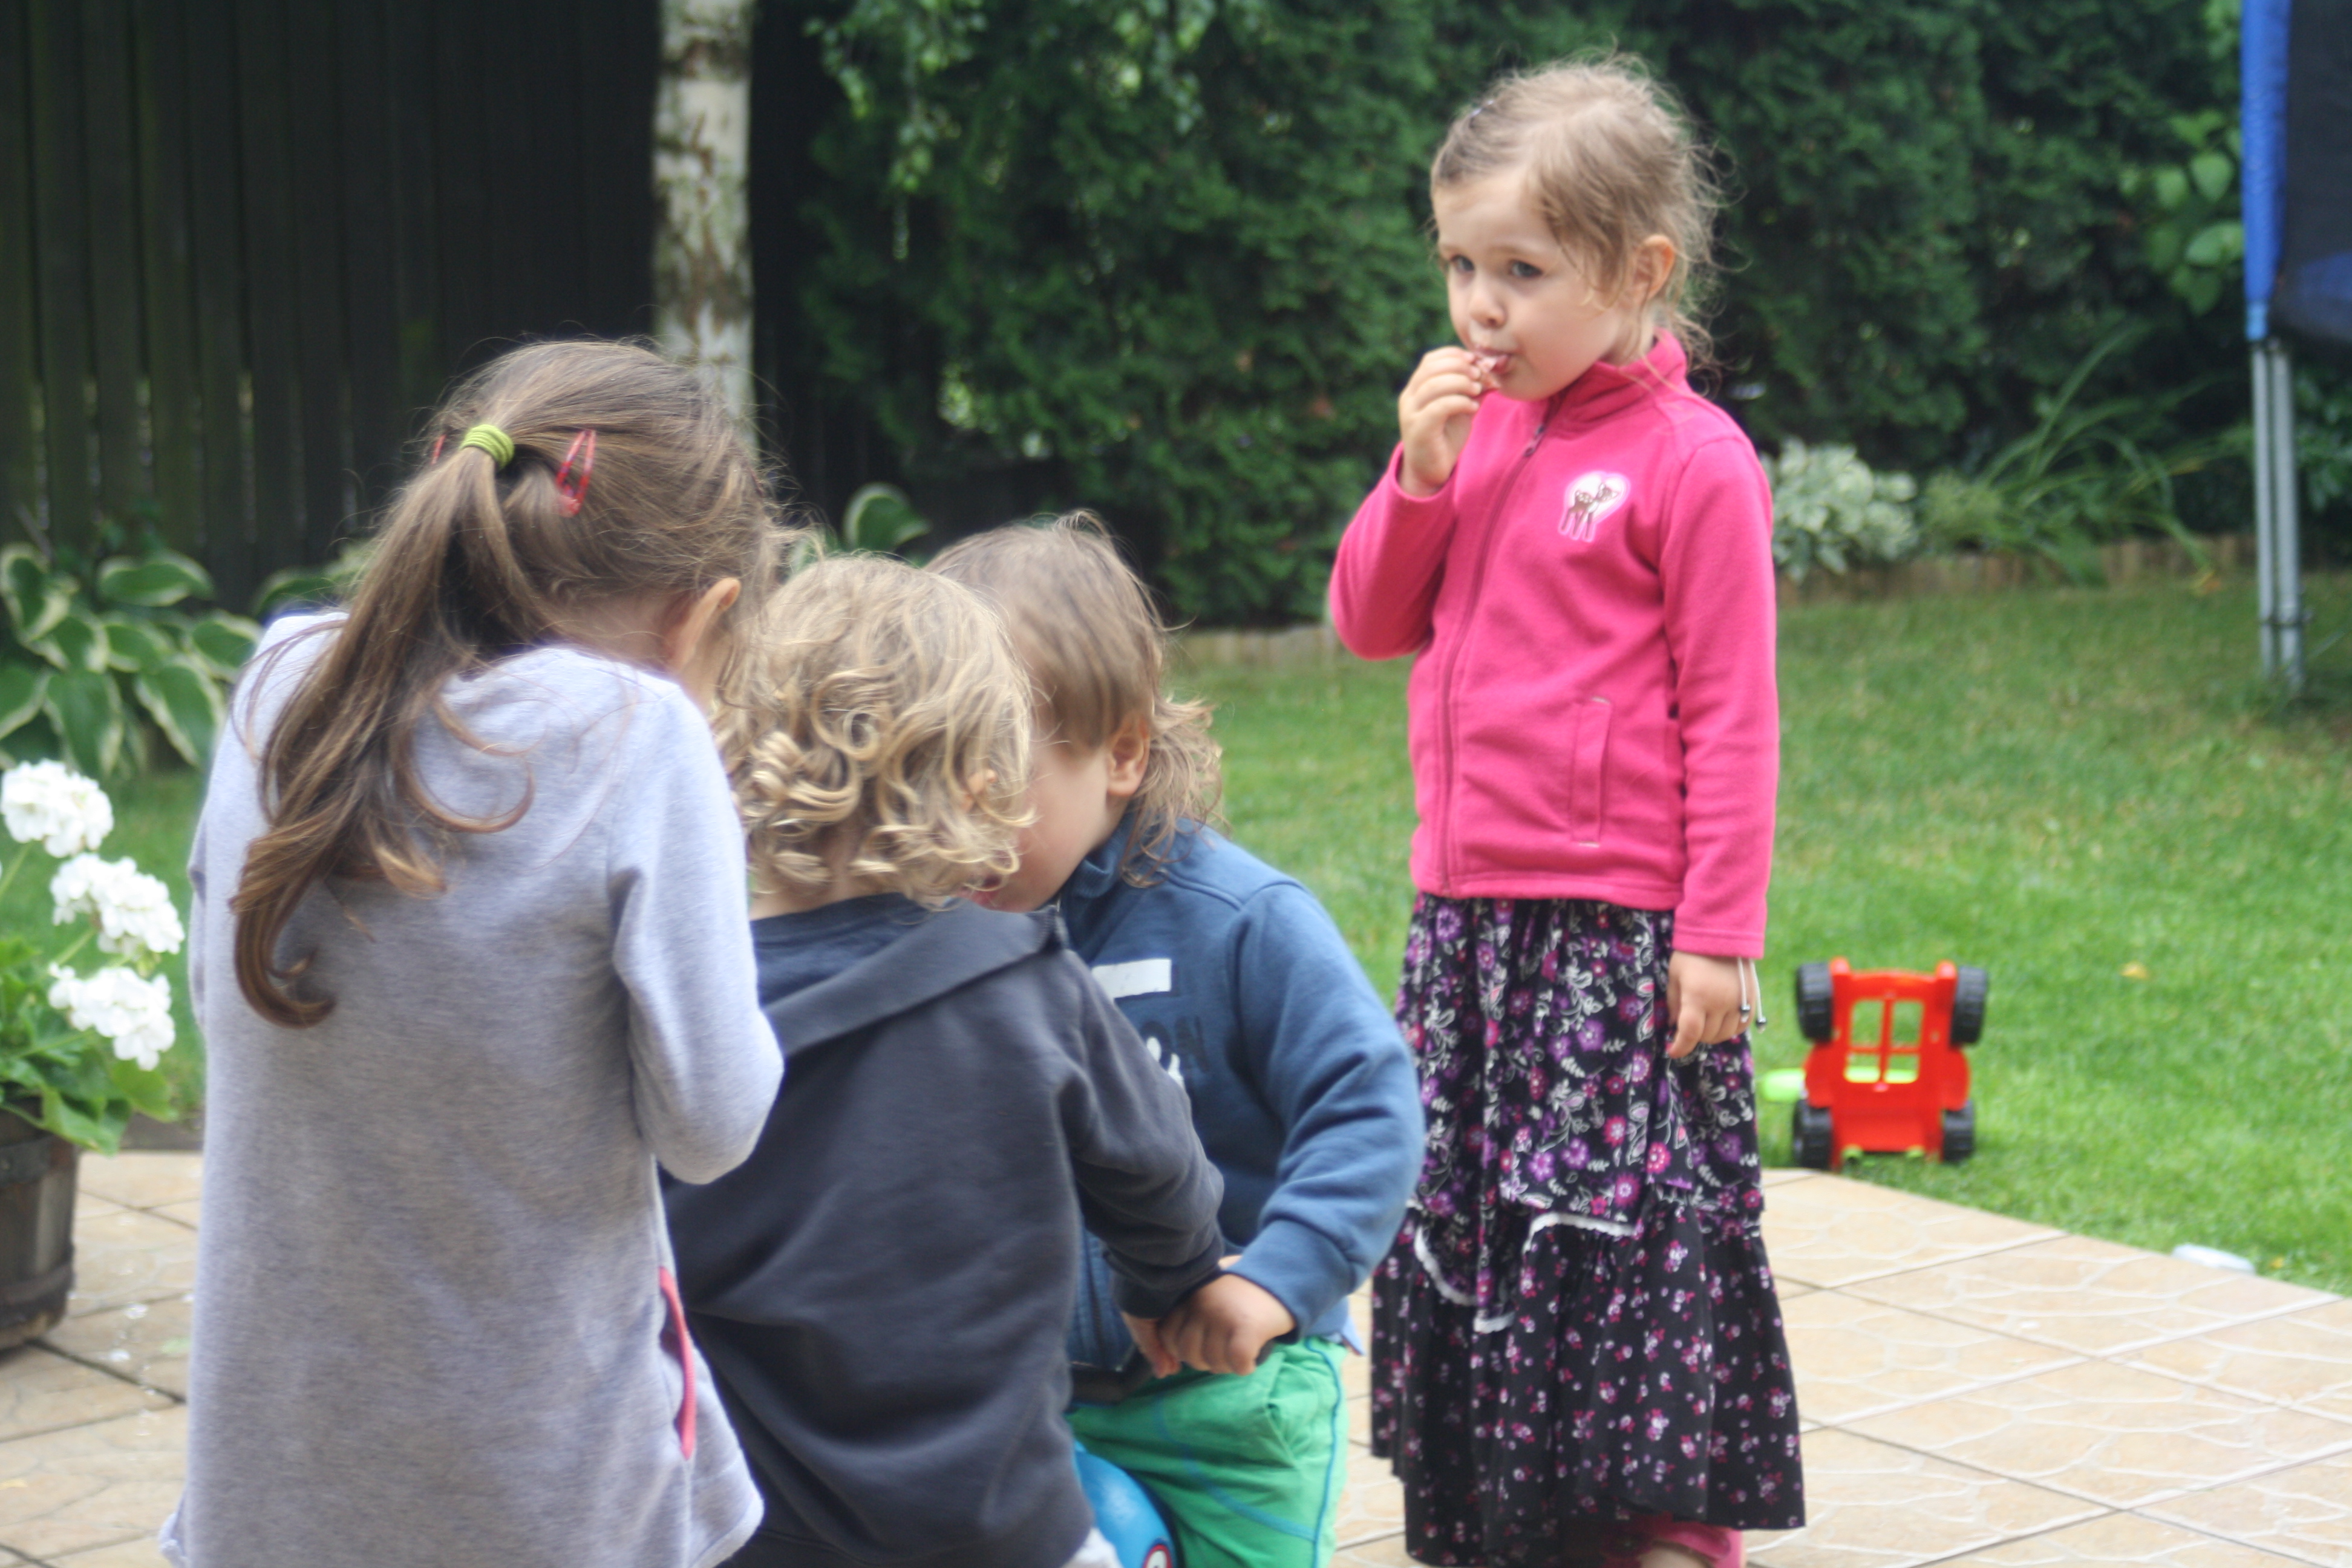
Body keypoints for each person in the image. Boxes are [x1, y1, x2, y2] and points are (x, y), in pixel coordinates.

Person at [171, 341, 788, 1568]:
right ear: (703, 614)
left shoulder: (281, 681)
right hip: (538, 1498)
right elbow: (714, 1128)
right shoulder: (640, 736)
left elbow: (214, 995)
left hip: (271, 1482)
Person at [1327, 57, 1805, 1568]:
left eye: (1523, 272)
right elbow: (1367, 622)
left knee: (1623, 1239)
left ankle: (1666, 1523)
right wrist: (1416, 477)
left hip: (1616, 938)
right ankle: (1504, 1507)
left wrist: (1718, 934)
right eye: (1460, 265)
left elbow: (1735, 716)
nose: (1482, 307)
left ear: (1640, 272)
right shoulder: (1469, 435)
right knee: (1481, 1222)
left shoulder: (1694, 464)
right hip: (1469, 930)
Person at [663, 554, 1226, 1568]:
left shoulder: (689, 1020)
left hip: (764, 1537)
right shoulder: (1028, 983)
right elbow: (1162, 1175)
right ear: (982, 782)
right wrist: (1168, 1280)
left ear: (733, 770)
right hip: (1014, 1533)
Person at [932, 516, 1423, 1568]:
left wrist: (1277, 1279)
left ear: (1120, 753)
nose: (957, 821)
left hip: (1232, 1401)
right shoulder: (933, 933)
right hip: (1027, 1407)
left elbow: (1370, 1104)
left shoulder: (1239, 922)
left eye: (995, 779)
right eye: (930, 774)